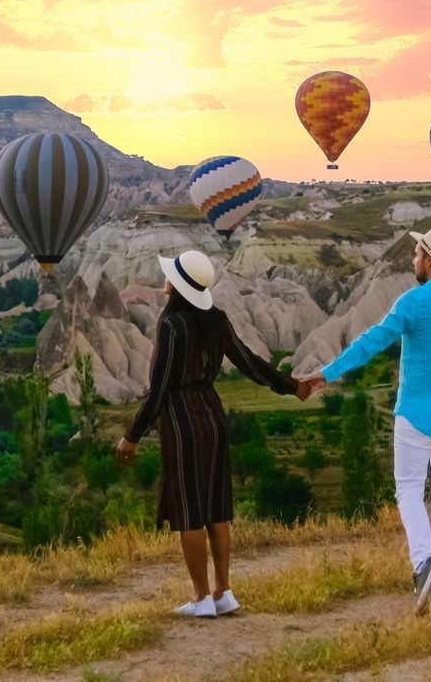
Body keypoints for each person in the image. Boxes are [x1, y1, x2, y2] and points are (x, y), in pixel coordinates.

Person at [297, 224, 431, 615]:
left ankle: (424, 566)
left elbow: (372, 340)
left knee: (408, 489)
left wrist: (326, 374)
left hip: (416, 416)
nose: (413, 259)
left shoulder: (414, 301)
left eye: (418, 253)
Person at [117, 250, 304, 618]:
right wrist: (291, 385)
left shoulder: (171, 326)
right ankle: (223, 591)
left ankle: (201, 598)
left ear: (179, 287)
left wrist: (132, 434)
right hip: (214, 417)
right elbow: (249, 362)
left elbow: (159, 387)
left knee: (189, 510)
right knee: (216, 507)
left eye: (170, 276)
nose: (165, 280)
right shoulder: (217, 319)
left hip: (183, 421)